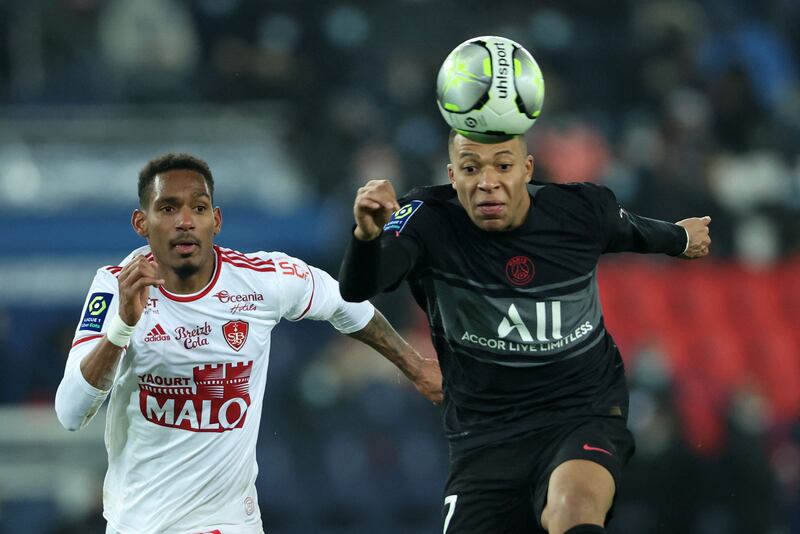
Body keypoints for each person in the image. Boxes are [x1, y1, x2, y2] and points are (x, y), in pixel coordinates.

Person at [338, 130, 712, 534]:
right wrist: (366, 237)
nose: (487, 182)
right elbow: (358, 288)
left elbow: (637, 231)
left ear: (527, 169)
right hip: (484, 435)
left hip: (581, 412)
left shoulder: (579, 209)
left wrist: (683, 237)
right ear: (452, 175)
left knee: (573, 508)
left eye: (503, 165)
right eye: (470, 168)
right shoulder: (427, 219)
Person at [54, 153, 442, 534]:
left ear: (216, 220)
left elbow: (344, 303)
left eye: (199, 208)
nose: (185, 222)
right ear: (142, 223)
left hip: (226, 522)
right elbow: (70, 413)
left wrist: (415, 366)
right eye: (168, 209)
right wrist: (123, 326)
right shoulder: (115, 286)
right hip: (136, 524)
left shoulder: (260, 280)